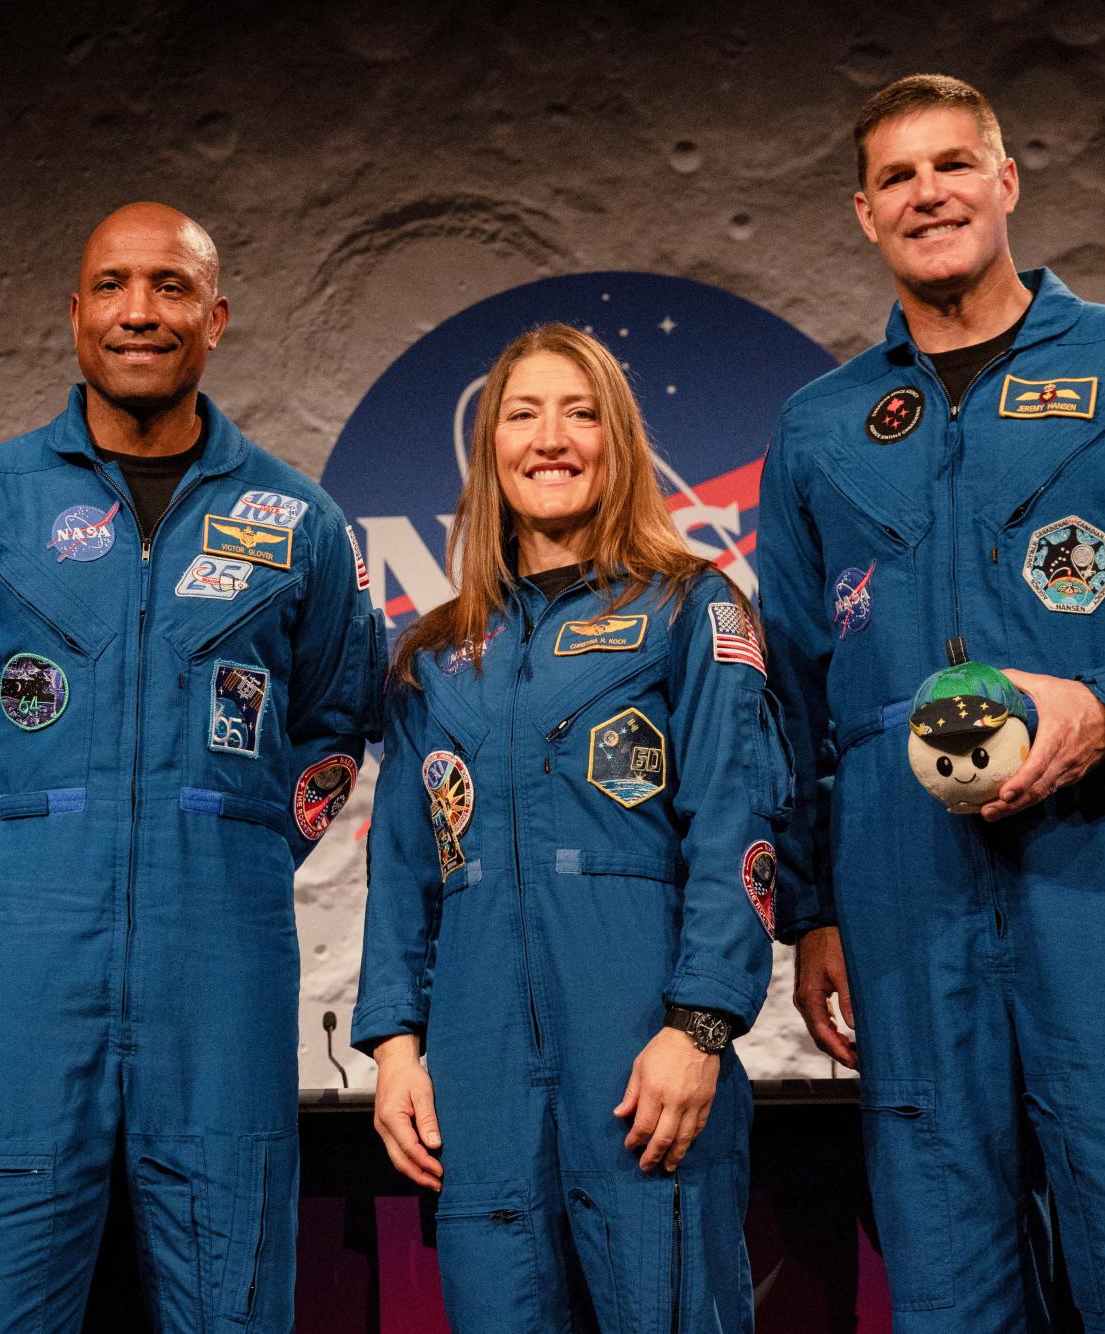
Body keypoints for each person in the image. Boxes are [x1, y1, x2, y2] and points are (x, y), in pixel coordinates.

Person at [756, 74, 1105, 1330]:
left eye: (954, 164)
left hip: (1104, 871)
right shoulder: (821, 430)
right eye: (897, 177)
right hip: (904, 902)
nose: (928, 193)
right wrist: (815, 906)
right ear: (862, 213)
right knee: (952, 1286)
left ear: (1008, 182)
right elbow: (791, 690)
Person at [0, 202, 384, 1331]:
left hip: (223, 956)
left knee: (232, 1291)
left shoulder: (298, 521)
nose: (139, 311)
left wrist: (228, 834)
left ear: (216, 317)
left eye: (169, 286)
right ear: (74, 313)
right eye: (112, 285)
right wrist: (32, 831)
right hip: (26, 959)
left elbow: (334, 723)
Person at [353, 323, 788, 1332]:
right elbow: (404, 871)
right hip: (478, 1066)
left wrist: (699, 1025)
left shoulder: (691, 608)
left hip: (643, 1055)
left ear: (619, 441)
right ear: (489, 450)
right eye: (523, 413)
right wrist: (396, 1049)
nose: (551, 438)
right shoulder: (435, 652)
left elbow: (737, 823)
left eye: (580, 412)